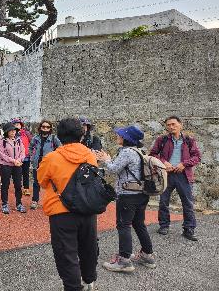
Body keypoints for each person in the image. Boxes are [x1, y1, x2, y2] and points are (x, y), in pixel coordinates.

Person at [37, 118, 98, 291]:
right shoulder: (89, 155)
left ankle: (72, 287)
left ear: (59, 135)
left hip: (60, 210)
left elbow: (42, 181)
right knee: (88, 246)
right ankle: (89, 280)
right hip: (87, 207)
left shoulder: (52, 157)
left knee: (66, 252)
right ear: (81, 134)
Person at [95, 125, 156, 273]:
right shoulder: (140, 151)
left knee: (123, 225)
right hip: (142, 194)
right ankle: (148, 255)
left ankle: (124, 260)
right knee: (139, 223)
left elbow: (113, 169)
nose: (118, 136)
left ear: (126, 138)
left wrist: (106, 159)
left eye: (120, 135)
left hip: (128, 194)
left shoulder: (127, 152)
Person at [150, 116, 201, 241]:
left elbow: (197, 157)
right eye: (168, 125)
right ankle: (164, 226)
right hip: (166, 174)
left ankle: (189, 229)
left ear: (180, 125)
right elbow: (153, 154)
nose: (171, 127)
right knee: (163, 202)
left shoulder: (189, 140)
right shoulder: (162, 140)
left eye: (173, 124)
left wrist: (184, 164)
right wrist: (164, 162)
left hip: (184, 175)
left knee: (188, 203)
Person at [29, 120, 61, 210]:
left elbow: (61, 149)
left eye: (47, 127)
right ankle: (35, 201)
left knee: (51, 184)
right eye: (43, 127)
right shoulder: (35, 138)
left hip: (49, 165)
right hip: (37, 164)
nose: (45, 128)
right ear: (40, 127)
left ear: (50, 128)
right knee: (36, 183)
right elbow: (30, 147)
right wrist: (32, 157)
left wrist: (55, 159)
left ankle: (51, 202)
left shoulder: (54, 138)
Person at [0, 122, 26, 214]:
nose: (13, 132)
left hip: (17, 165)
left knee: (18, 185)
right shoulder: (2, 141)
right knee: (5, 185)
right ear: (7, 132)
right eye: (11, 131)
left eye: (14, 130)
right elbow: (2, 154)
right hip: (6, 165)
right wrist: (13, 160)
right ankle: (4, 204)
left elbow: (23, 151)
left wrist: (19, 159)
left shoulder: (18, 140)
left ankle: (19, 204)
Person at [11, 118, 33, 196]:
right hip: (17, 157)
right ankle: (18, 188)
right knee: (18, 173)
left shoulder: (26, 133)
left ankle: (26, 188)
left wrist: (32, 152)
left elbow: (32, 142)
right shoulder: (11, 134)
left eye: (18, 124)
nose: (17, 125)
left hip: (26, 156)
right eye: (15, 124)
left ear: (21, 125)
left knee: (26, 173)